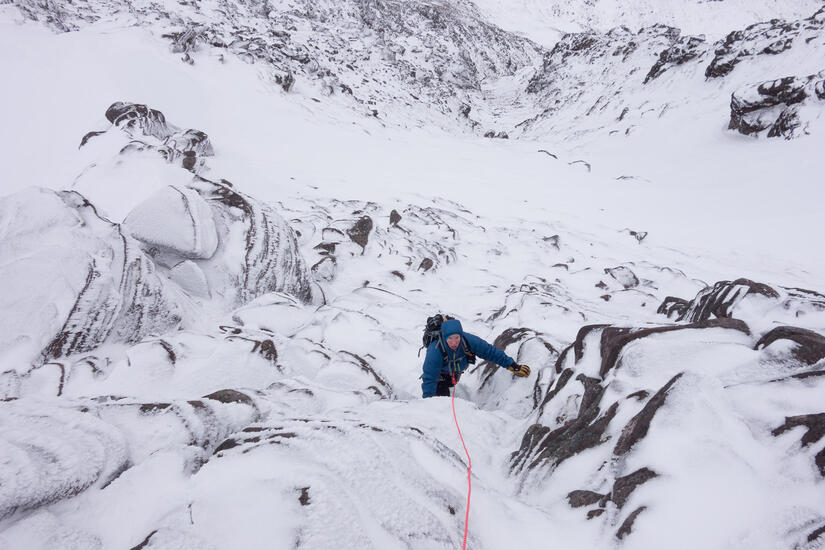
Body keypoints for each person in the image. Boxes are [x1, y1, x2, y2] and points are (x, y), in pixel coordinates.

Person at [421, 318, 531, 398]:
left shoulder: (468, 341)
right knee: (442, 399)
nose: (454, 342)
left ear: (461, 335)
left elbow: (490, 352)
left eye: (457, 338)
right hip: (440, 377)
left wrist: (513, 366)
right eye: (450, 338)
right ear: (444, 337)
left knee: (450, 384)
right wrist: (428, 403)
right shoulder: (435, 350)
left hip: (454, 374)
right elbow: (430, 377)